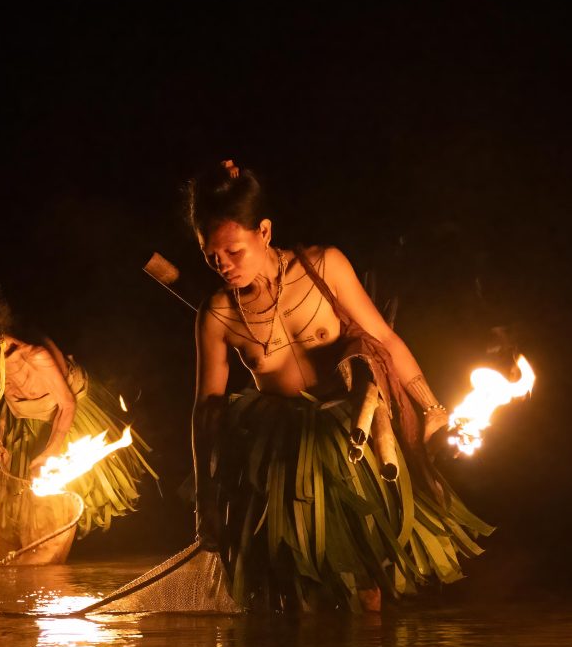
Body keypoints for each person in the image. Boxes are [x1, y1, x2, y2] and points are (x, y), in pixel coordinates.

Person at [187, 162, 489, 611]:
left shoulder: (324, 266)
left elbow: (384, 339)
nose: (224, 266)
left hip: (352, 439)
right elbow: (207, 408)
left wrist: (431, 407)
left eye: (234, 251)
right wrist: (205, 503)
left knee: (365, 586)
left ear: (264, 232)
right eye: (212, 256)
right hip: (282, 457)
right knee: (298, 594)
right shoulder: (217, 316)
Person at [0, 271, 153, 565]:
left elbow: (67, 404)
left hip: (65, 415)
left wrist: (51, 452)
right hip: (21, 415)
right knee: (19, 511)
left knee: (66, 496)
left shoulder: (32, 355)